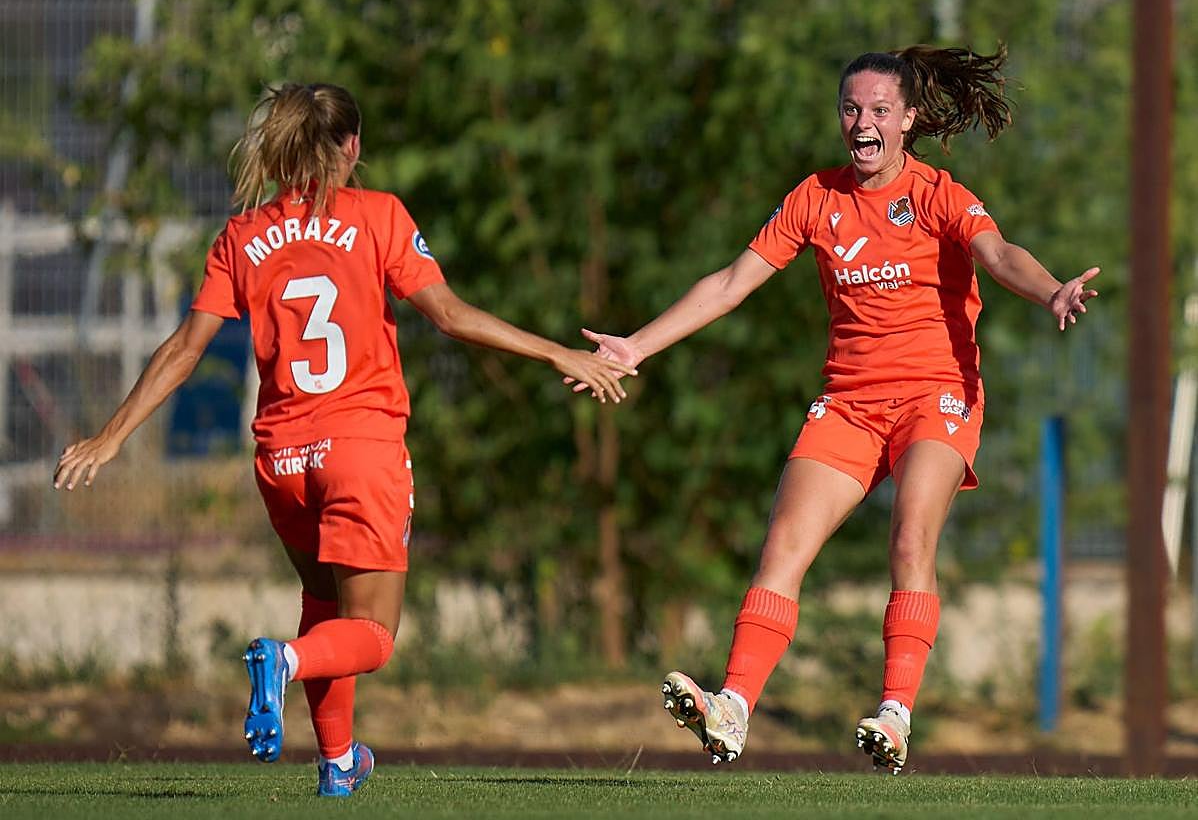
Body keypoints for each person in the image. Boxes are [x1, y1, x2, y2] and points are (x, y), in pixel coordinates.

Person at [53, 82, 635, 797]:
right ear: (352, 146)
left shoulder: (242, 236)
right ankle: (285, 662)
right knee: (374, 635)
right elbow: (449, 315)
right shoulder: (379, 215)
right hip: (360, 449)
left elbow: (183, 349)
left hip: (281, 459)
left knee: (325, 601)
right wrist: (557, 353)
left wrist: (110, 437)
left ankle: (336, 763)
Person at [576, 46, 1099, 774]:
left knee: (910, 540)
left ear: (908, 119)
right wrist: (637, 345)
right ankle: (732, 707)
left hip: (936, 396)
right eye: (851, 109)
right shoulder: (815, 198)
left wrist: (1051, 292)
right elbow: (730, 283)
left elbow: (999, 253)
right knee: (784, 544)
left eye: (879, 110)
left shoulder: (940, 194)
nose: (863, 123)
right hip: (850, 402)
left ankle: (895, 714)